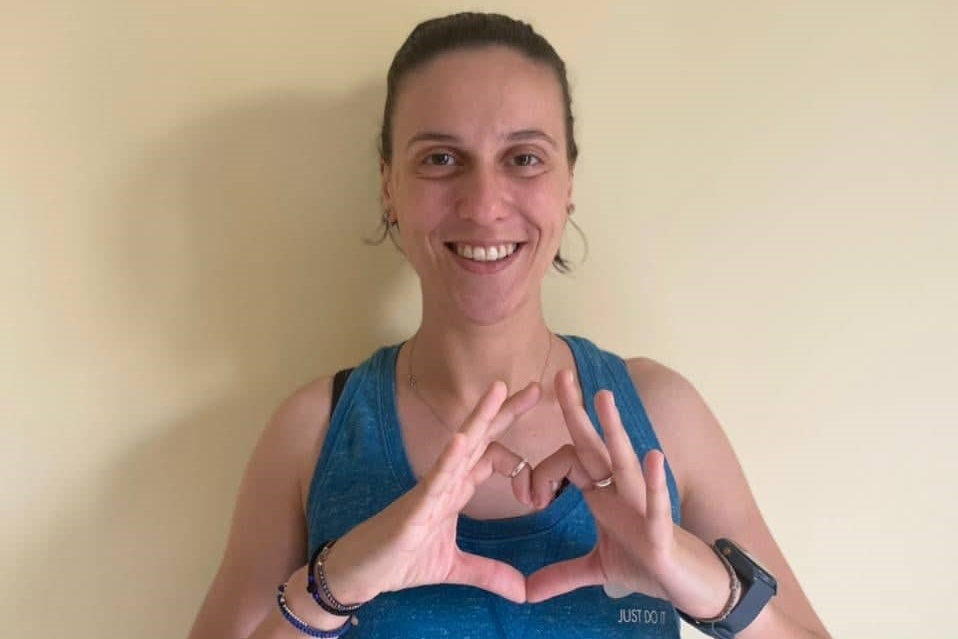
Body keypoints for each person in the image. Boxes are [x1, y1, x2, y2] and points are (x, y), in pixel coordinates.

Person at [187, 12, 832, 639]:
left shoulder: (663, 416)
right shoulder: (313, 432)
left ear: (569, 182)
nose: (484, 204)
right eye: (441, 158)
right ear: (388, 185)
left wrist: (712, 589)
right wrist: (332, 587)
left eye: (524, 158)